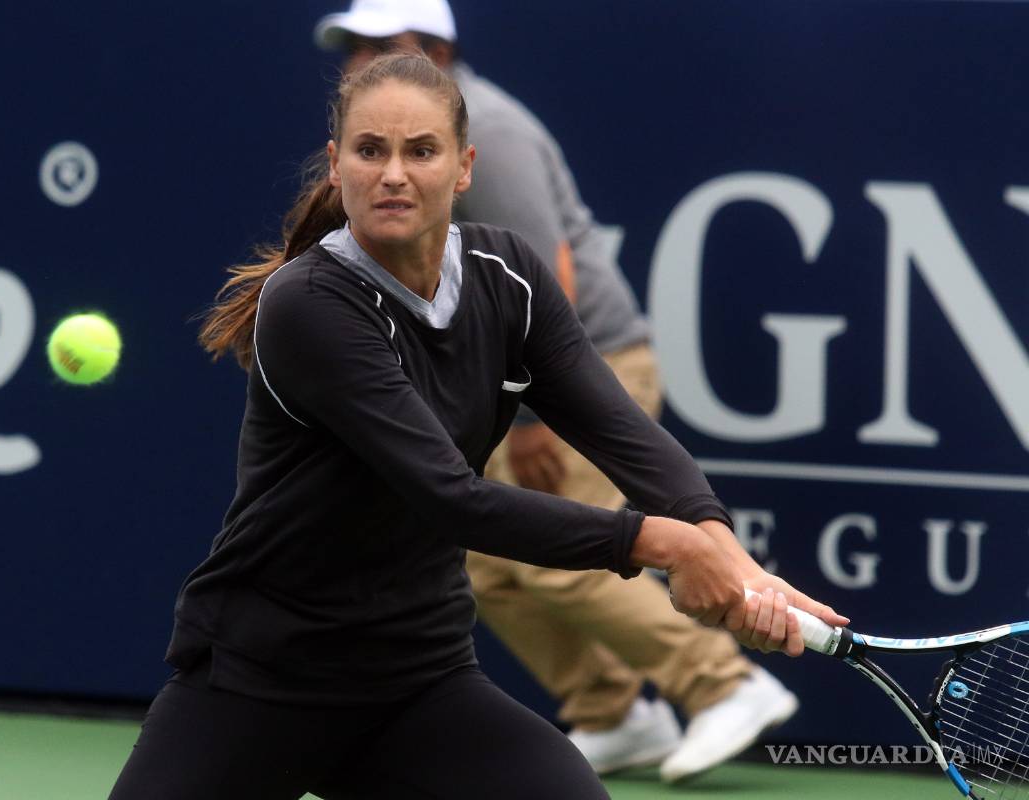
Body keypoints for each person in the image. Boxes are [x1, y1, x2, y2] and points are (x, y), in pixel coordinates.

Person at [108, 52, 846, 800]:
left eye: (421, 151)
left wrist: (726, 552)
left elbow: (624, 434)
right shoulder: (308, 305)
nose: (394, 173)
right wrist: (661, 543)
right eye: (371, 151)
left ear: (463, 167)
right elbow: (450, 496)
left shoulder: (510, 277)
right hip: (257, 682)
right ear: (337, 166)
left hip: (415, 688)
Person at [312, 0, 802, 783]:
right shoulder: (406, 139)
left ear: (434, 49)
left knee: (542, 559)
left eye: (378, 44)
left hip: (584, 365)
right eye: (355, 47)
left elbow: (546, 277)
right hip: (509, 373)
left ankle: (728, 685)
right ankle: (613, 711)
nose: (357, 61)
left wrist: (537, 418)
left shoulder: (489, 133)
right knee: (486, 564)